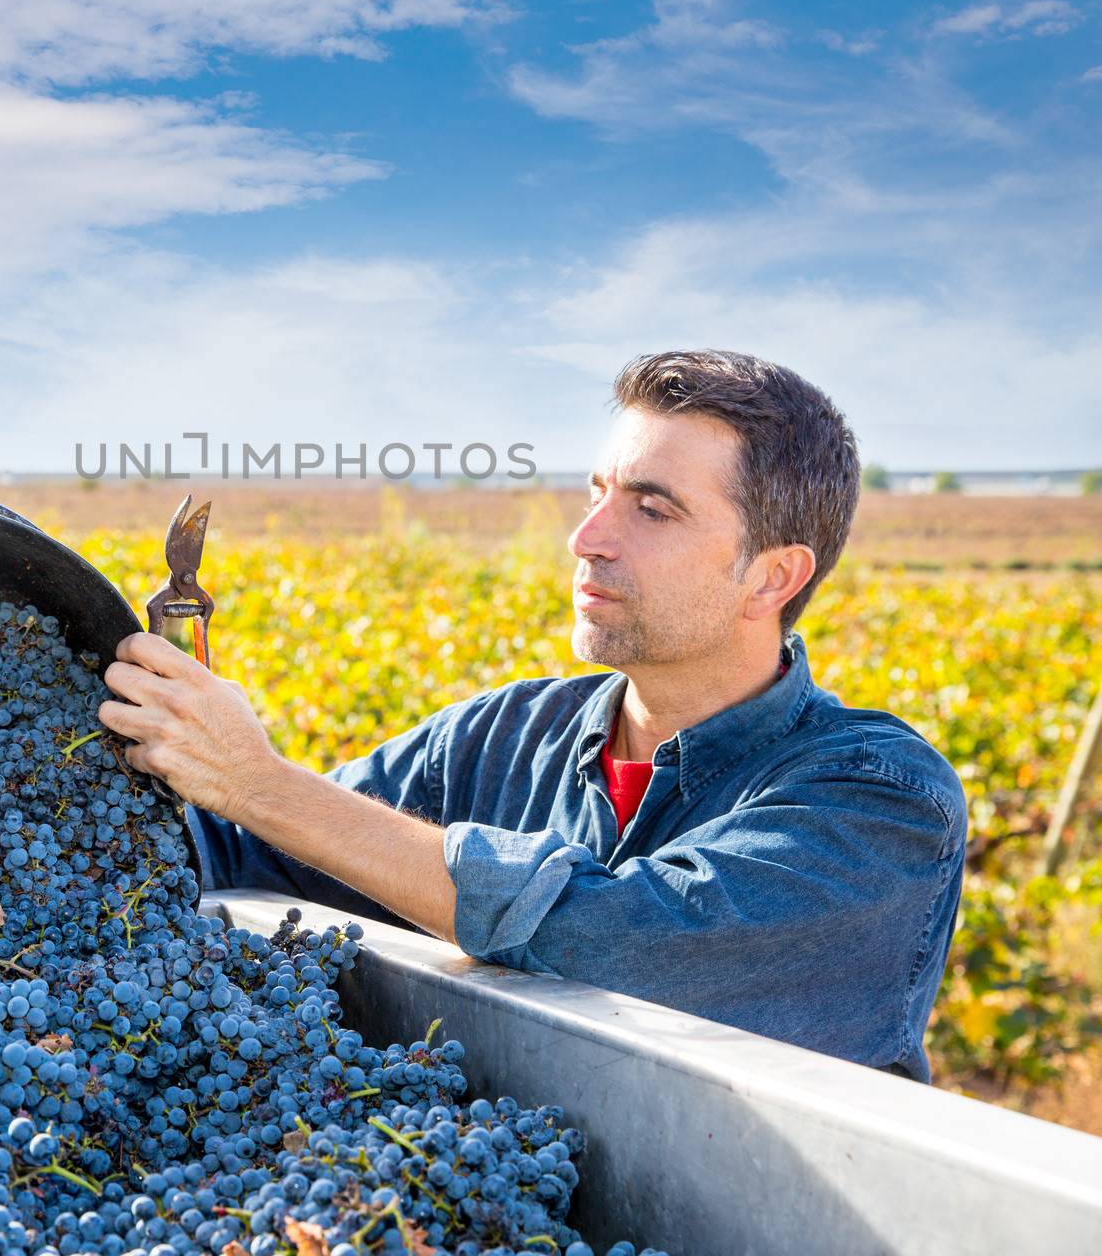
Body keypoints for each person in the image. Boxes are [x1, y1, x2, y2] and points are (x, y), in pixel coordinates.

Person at [100, 349, 969, 1082]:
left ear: (772, 577)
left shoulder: (879, 799)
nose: (586, 535)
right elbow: (242, 856)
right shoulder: (499, 739)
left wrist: (259, 782)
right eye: (597, 491)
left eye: (651, 507)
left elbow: (618, 945)